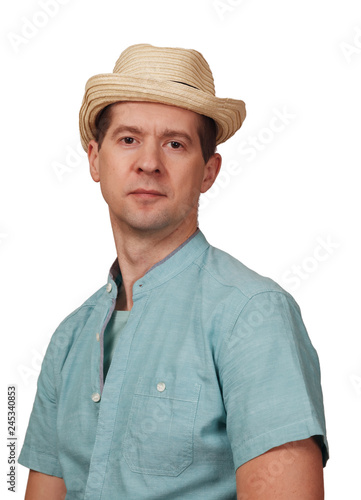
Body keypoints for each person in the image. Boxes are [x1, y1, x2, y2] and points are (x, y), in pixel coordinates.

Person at [18, 43, 329, 499]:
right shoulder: (69, 339)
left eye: (175, 144)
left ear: (208, 170)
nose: (148, 162)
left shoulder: (253, 317)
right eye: (128, 139)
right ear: (93, 158)